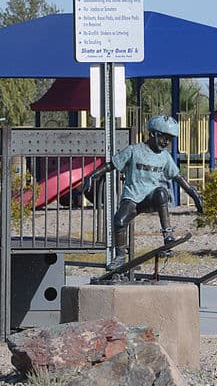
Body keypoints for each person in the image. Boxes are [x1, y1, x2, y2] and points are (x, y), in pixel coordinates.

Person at [81, 114, 204, 271]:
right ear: (152, 134)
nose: (166, 142)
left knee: (161, 193)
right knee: (119, 221)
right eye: (163, 138)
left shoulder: (165, 157)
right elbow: (111, 164)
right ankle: (120, 257)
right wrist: (92, 175)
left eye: (169, 139)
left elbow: (179, 178)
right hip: (132, 197)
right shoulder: (134, 151)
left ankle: (167, 235)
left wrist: (195, 196)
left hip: (151, 198)